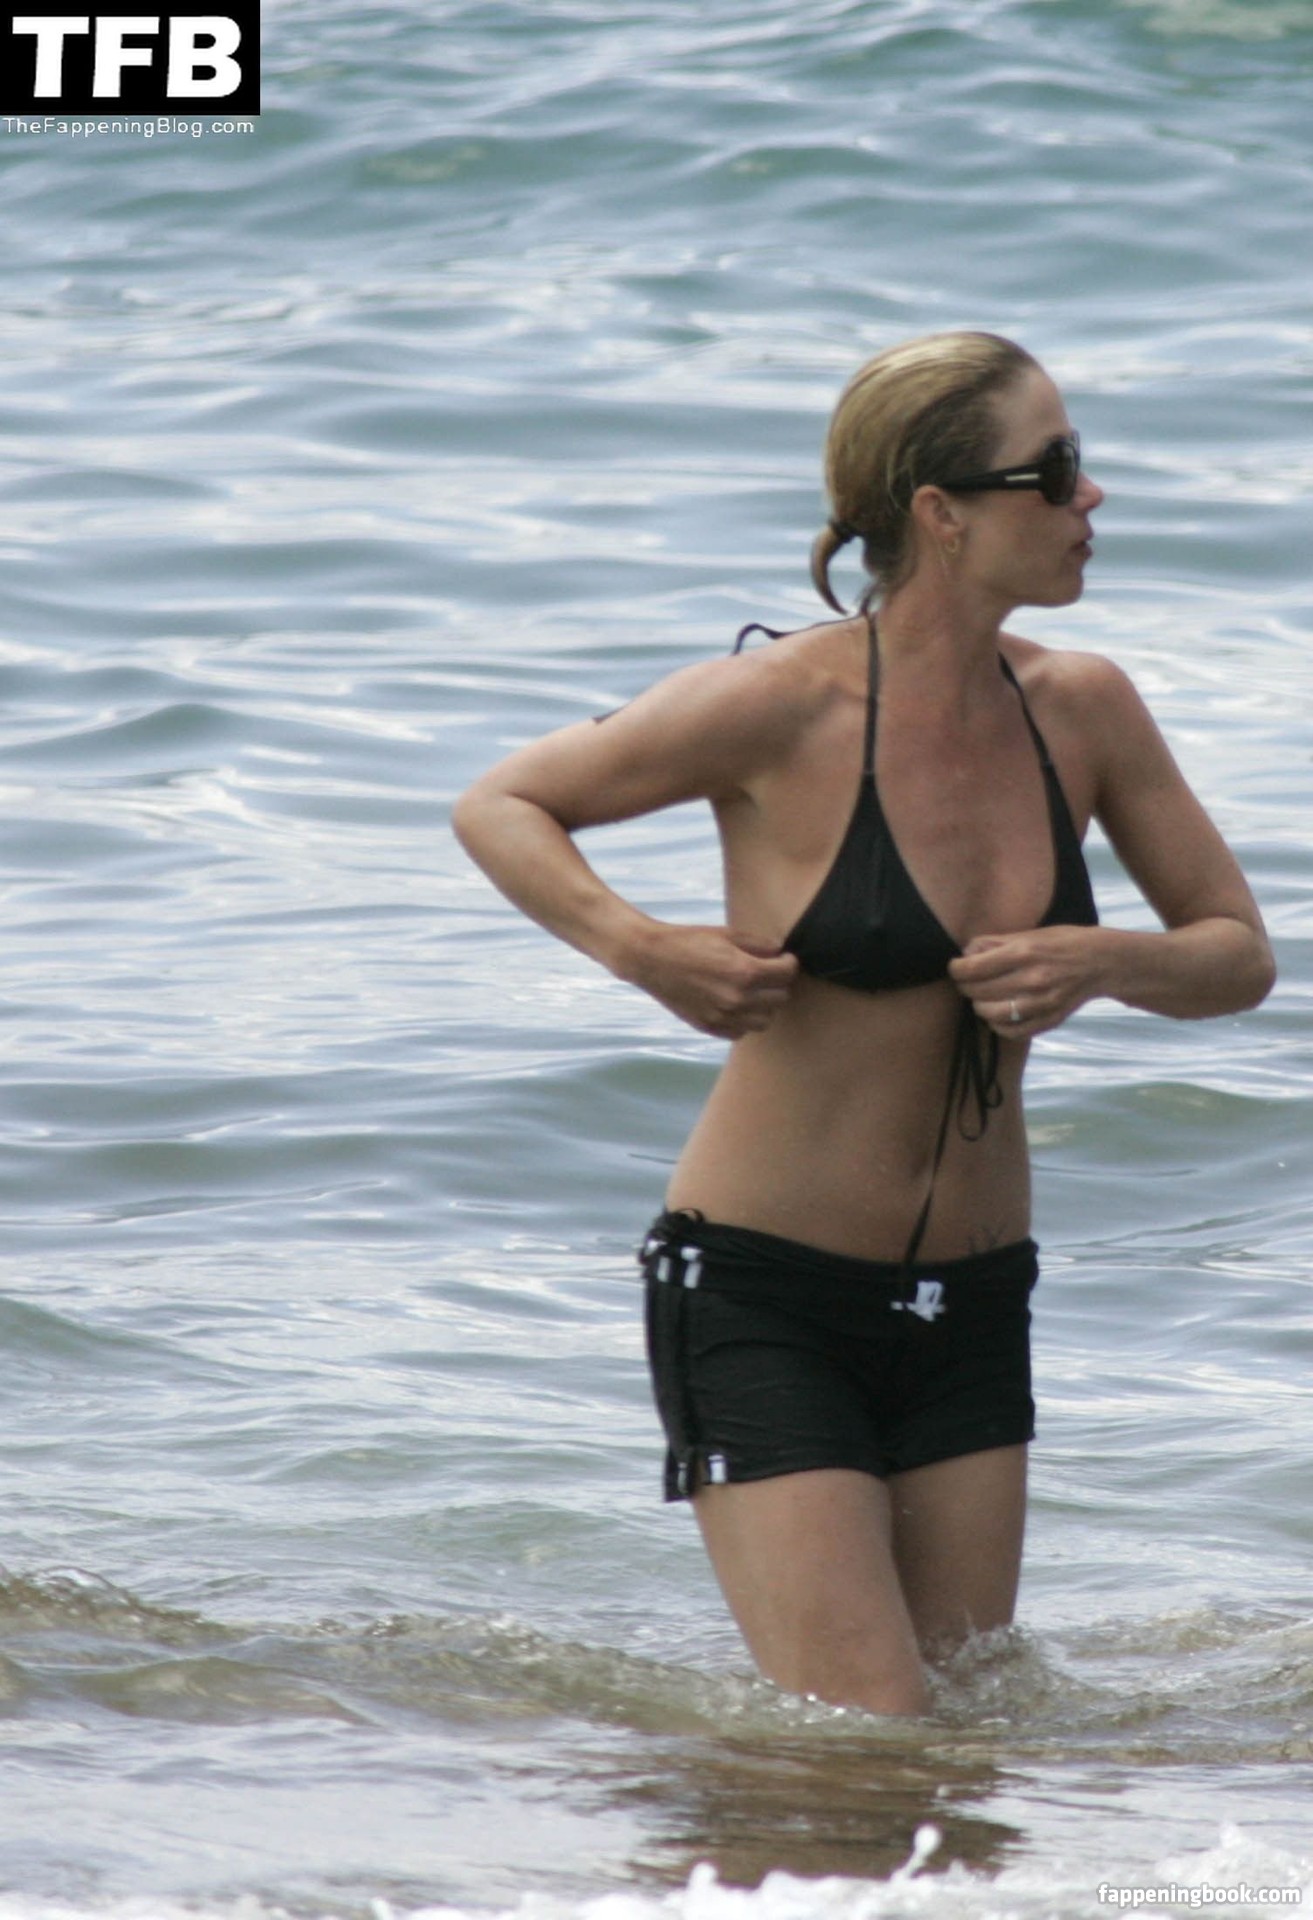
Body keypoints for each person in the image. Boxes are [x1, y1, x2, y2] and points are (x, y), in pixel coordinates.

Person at [453, 331, 1274, 1718]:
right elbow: (502, 803)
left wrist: (1103, 961)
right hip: (764, 1297)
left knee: (961, 1747)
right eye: (1054, 470)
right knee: (870, 1740)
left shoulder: (1082, 708)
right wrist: (645, 951)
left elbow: (1234, 956)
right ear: (941, 513)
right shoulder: (779, 704)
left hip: (973, 1306)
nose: (1089, 497)